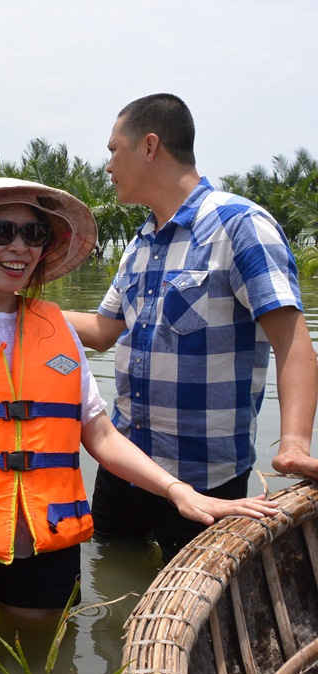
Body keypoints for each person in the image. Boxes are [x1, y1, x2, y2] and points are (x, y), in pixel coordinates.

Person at [0, 178, 280, 634]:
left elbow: (100, 434)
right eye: (1, 231)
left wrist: (176, 489)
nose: (19, 247)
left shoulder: (57, 329)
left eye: (34, 234)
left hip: (48, 553)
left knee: (48, 662)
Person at [63, 93, 318, 561]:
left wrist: (294, 444)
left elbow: (292, 341)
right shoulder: (141, 242)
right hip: (128, 464)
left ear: (150, 146)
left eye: (113, 149)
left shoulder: (239, 225)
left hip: (207, 477)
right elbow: (103, 330)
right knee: (115, 574)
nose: (107, 165)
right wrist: (23, 311)